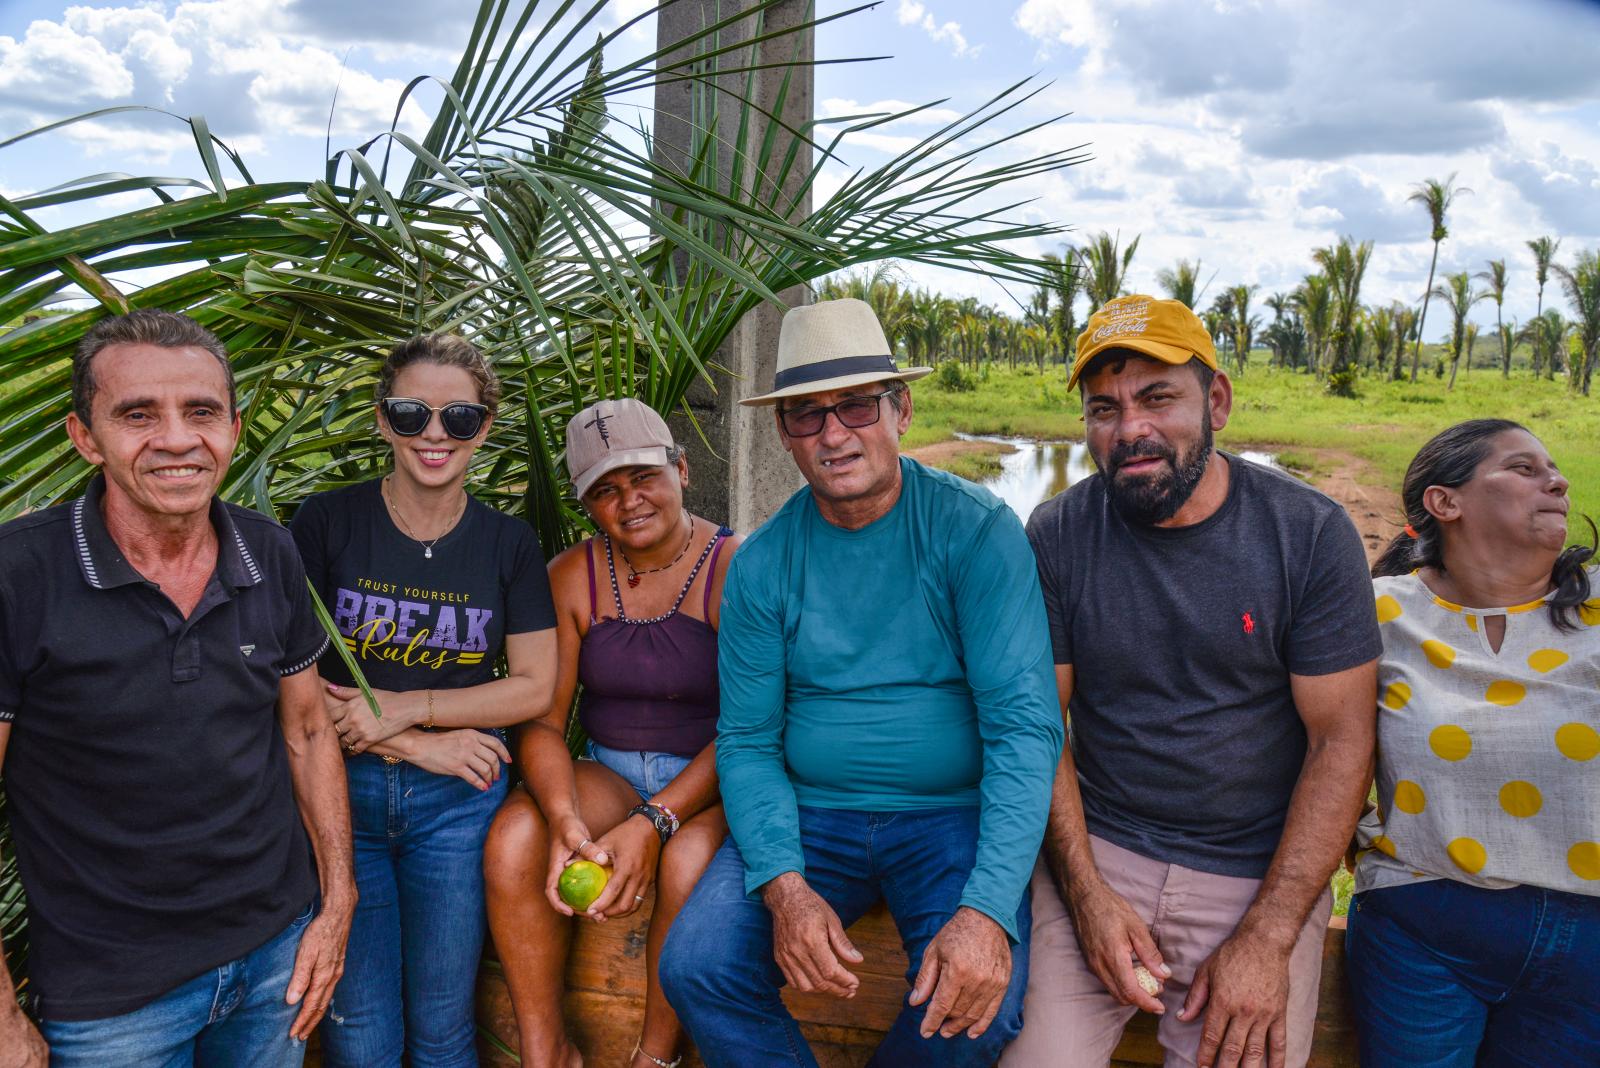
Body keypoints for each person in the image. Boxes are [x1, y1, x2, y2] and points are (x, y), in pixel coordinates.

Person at [658, 297, 1064, 1067]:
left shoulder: (974, 531)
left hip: (949, 816)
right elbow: (747, 740)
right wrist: (783, 885)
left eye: (855, 406)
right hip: (812, 815)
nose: (834, 434)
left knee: (985, 1002)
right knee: (698, 965)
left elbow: (1024, 729)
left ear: (900, 408)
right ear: (784, 433)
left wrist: (983, 911)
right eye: (807, 416)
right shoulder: (765, 562)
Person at [1004, 295, 1381, 1068]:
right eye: (1103, 408)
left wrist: (1269, 937)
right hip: (1100, 853)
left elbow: (1342, 741)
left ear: (1216, 401)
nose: (1129, 429)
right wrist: (1085, 896)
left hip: (1254, 874)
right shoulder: (1060, 531)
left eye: (1157, 398)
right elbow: (1039, 724)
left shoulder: (1307, 534)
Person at [0, 309, 354, 1068]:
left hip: (273, 960)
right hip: (110, 997)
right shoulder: (18, 574)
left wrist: (337, 902)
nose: (176, 438)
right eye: (137, 414)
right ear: (84, 437)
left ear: (234, 425)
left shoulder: (269, 548)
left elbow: (308, 731)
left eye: (201, 411)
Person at [290, 334, 558, 1067]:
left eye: (459, 419)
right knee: (360, 1032)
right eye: (411, 414)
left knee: (444, 1028)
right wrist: (411, 740)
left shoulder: (509, 544)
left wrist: (409, 708)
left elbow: (535, 685)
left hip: (458, 807)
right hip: (341, 796)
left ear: (485, 428)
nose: (434, 435)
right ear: (383, 420)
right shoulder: (326, 522)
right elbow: (291, 677)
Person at [482, 397, 738, 1068]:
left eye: (643, 477)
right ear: (587, 507)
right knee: (516, 838)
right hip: (609, 770)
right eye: (604, 491)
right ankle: (547, 1051)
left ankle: (655, 1057)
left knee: (684, 863)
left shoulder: (734, 566)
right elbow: (540, 717)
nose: (629, 502)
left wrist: (657, 821)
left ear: (681, 470)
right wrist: (566, 819)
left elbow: (751, 727)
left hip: (712, 778)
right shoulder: (571, 576)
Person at [1347, 419, 1599, 1067]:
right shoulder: (1378, 612)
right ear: (1445, 502)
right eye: (1523, 468)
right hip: (1423, 925)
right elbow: (1321, 751)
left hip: (1590, 944)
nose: (1558, 481)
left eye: (1552, 469)